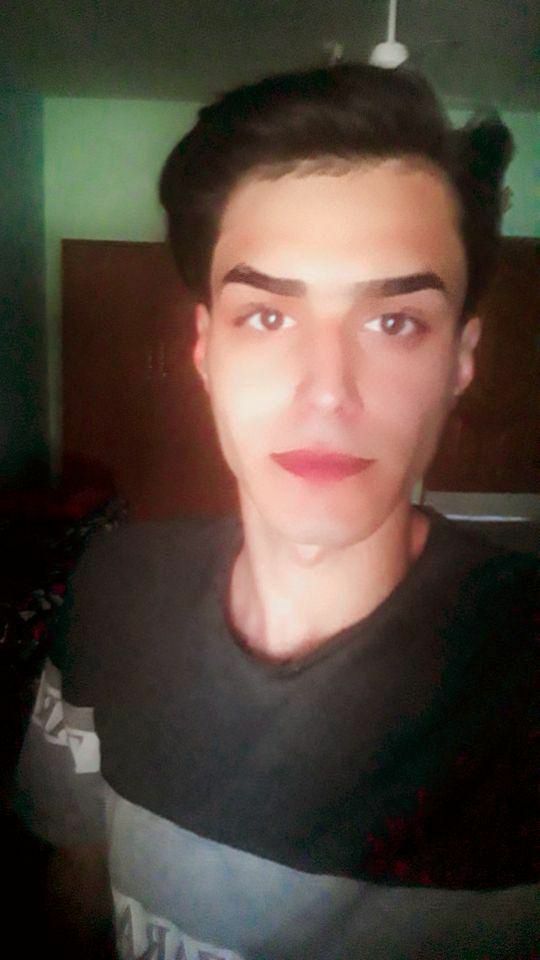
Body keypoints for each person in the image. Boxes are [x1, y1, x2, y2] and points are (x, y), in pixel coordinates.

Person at [12, 63, 538, 959]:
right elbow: (77, 879)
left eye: (395, 322)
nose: (327, 391)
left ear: (460, 359)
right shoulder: (113, 590)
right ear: (204, 349)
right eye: (266, 317)